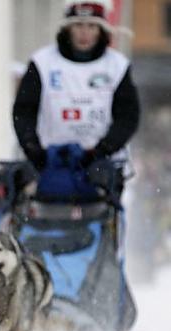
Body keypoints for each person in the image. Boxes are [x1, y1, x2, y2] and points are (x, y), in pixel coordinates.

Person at [13, 0, 139, 203]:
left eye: (91, 26)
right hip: (49, 164)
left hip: (100, 166)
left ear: (101, 30)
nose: (84, 33)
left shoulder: (117, 66)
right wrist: (33, 148)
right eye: (78, 25)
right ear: (68, 28)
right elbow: (24, 111)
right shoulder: (42, 62)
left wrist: (103, 150)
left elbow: (128, 116)